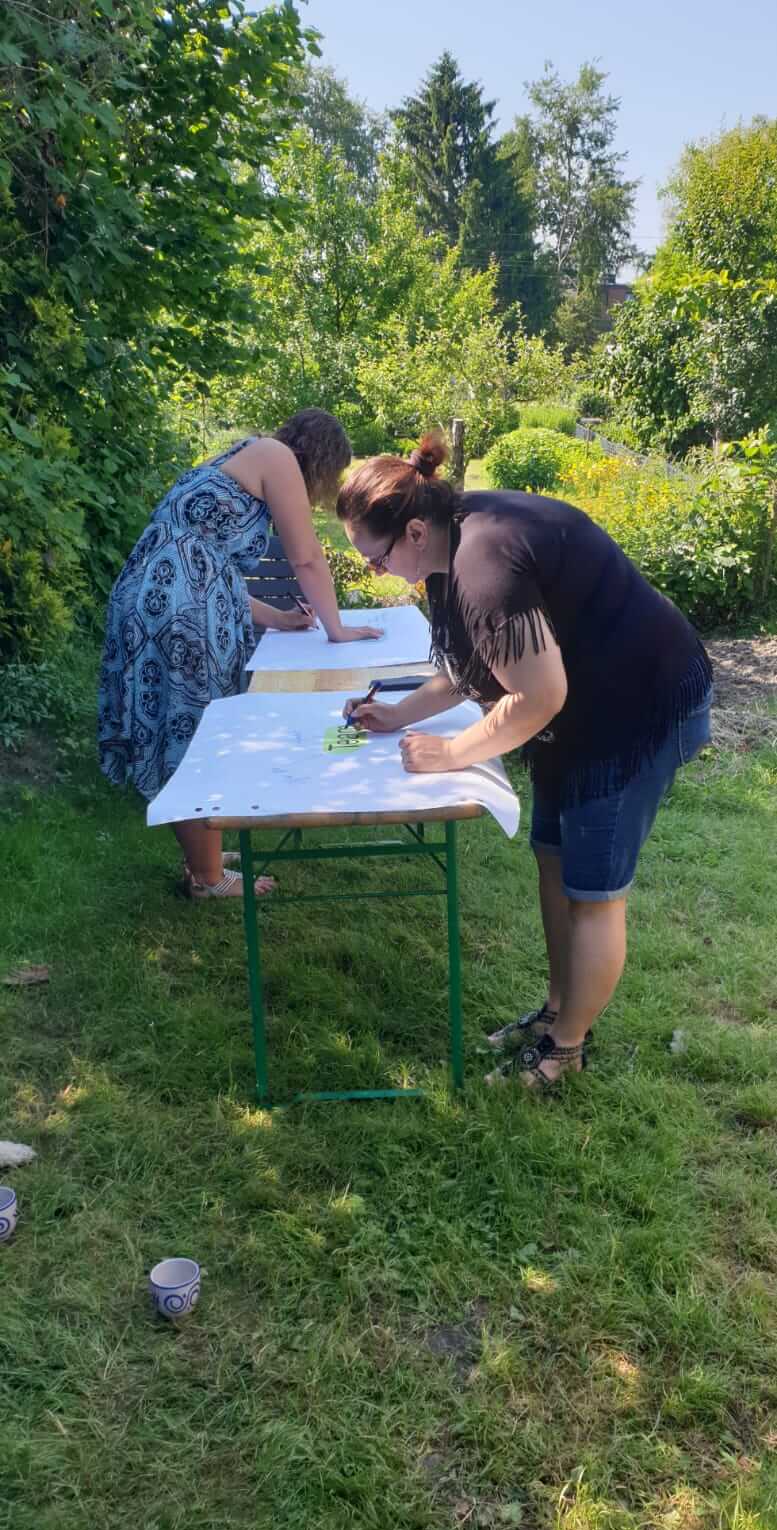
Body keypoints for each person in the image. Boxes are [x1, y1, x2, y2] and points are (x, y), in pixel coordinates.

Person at [336, 433, 712, 1092]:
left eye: (375, 558)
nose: (374, 572)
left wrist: (452, 752)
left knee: (593, 893)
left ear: (415, 531)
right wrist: (399, 715)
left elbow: (537, 696)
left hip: (637, 708)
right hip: (580, 708)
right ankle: (557, 1013)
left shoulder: (485, 564)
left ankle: (564, 1054)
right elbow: (474, 664)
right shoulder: (450, 544)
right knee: (553, 858)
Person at [99, 409, 382, 899]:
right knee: (195, 736)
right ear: (322, 459)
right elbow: (306, 557)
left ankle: (202, 855)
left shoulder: (243, 456)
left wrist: (280, 619)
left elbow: (207, 568)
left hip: (154, 600)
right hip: (179, 614)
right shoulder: (277, 458)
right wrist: (336, 629)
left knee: (179, 729)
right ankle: (209, 879)